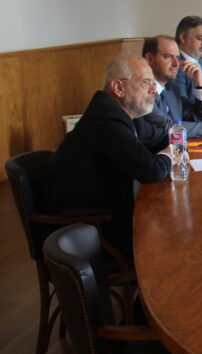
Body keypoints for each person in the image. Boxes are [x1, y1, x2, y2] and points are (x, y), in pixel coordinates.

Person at [51, 55, 172, 261]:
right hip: (93, 228)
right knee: (175, 237)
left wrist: (170, 145)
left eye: (153, 83)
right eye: (145, 83)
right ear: (118, 88)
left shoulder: (123, 112)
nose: (153, 90)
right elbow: (153, 171)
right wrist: (171, 153)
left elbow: (157, 138)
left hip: (111, 210)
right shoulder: (106, 119)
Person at [139, 35, 202, 139]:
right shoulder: (141, 91)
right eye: (168, 57)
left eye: (177, 57)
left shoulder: (172, 89)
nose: (176, 63)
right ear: (149, 58)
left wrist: (200, 85)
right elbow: (167, 127)